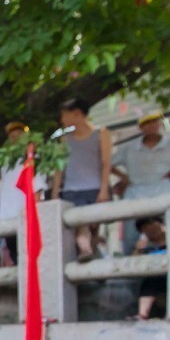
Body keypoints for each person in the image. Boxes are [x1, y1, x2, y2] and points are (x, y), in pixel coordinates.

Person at [111, 112, 170, 251]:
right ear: (141, 128)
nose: (151, 126)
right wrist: (123, 177)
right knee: (131, 235)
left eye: (154, 122)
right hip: (135, 193)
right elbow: (108, 164)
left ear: (160, 124)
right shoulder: (129, 148)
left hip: (162, 191)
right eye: (147, 123)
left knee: (168, 231)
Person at [51, 100, 113, 262]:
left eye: (65, 115)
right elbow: (60, 168)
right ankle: (85, 251)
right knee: (80, 225)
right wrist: (55, 193)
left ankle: (91, 258)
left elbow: (106, 163)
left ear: (77, 114)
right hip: (72, 190)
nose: (62, 119)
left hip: (95, 188)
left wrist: (104, 190)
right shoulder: (65, 139)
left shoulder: (101, 133)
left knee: (93, 227)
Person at [0, 121, 48, 264]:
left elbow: (38, 181)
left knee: (30, 249)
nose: (15, 139)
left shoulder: (33, 157)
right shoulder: (5, 161)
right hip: (8, 211)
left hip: (26, 207)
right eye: (12, 136)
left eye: (18, 135)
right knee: (13, 249)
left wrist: (37, 200)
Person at [131, 217, 168, 320]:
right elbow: (133, 264)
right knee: (150, 281)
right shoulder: (146, 247)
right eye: (145, 227)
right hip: (155, 279)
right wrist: (138, 251)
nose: (150, 229)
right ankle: (142, 313)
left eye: (151, 224)